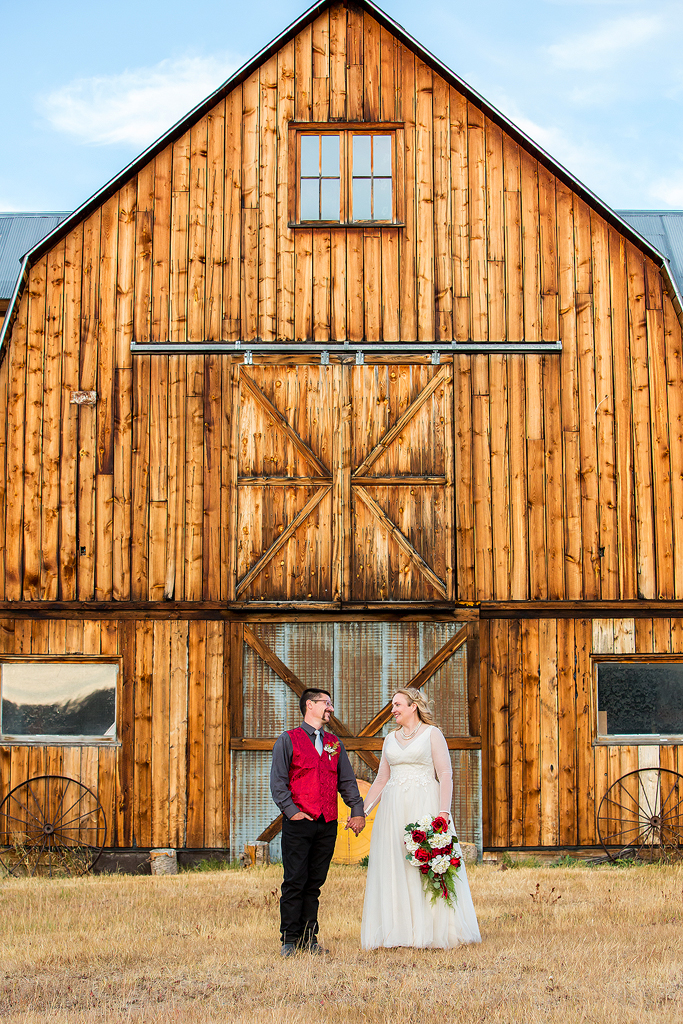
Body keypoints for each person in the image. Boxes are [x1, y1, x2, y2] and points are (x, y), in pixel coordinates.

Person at [360, 687, 481, 949]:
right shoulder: (390, 739)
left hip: (424, 804)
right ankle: (399, 930)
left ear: (413, 706)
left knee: (425, 865)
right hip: (393, 810)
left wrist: (443, 813)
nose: (393, 710)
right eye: (393, 706)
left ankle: (435, 929)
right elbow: (382, 779)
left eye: (397, 705)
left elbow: (445, 774)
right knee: (396, 865)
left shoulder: (432, 734)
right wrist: (364, 810)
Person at [270, 688, 366, 957]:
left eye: (331, 704)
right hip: (299, 822)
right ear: (310, 705)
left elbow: (346, 780)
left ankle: (309, 939)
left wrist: (357, 810)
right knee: (295, 880)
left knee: (315, 883)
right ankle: (289, 939)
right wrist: (292, 811)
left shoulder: (334, 743)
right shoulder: (288, 740)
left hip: (327, 822)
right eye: (327, 703)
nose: (331, 709)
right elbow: (278, 783)